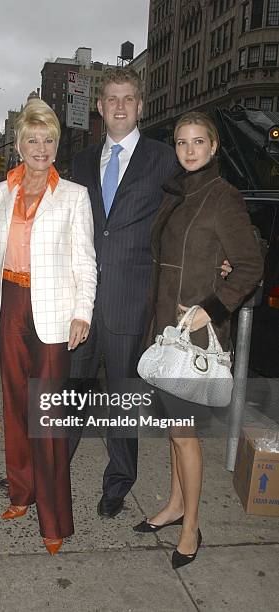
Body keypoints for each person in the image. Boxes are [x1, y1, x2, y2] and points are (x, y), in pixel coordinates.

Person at [133, 111, 264, 568]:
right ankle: (174, 506)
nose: (189, 151)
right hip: (166, 332)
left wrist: (211, 307)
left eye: (198, 143)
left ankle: (191, 527)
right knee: (173, 430)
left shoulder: (222, 197)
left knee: (185, 435)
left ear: (213, 148)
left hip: (195, 338)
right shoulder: (178, 192)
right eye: (182, 143)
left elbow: (249, 266)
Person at [69, 67, 178, 519]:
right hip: (80, 304)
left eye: (127, 98)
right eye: (111, 98)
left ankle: (118, 482)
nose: (118, 106)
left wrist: (222, 257)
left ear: (140, 105)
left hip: (131, 302)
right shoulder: (78, 162)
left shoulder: (164, 159)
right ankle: (46, 472)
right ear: (99, 107)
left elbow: (190, 215)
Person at [0, 98, 96, 554]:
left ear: (56, 145)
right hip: (9, 303)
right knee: (15, 404)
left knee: (48, 414)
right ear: (18, 143)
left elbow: (85, 262)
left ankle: (54, 520)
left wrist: (82, 312)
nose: (41, 146)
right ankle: (21, 492)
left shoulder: (73, 195)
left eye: (48, 139)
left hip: (53, 311)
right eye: (32, 138)